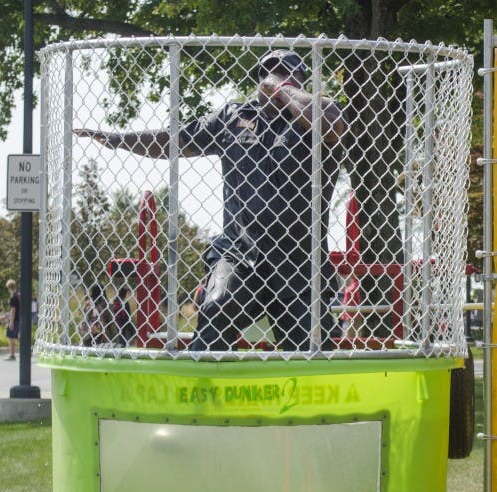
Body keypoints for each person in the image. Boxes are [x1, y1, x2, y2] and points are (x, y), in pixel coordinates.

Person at [74, 49, 346, 352]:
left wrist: (285, 90)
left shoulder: (318, 113)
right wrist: (118, 140)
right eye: (269, 71)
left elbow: (332, 125)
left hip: (299, 261)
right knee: (216, 309)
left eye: (287, 71)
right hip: (242, 253)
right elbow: (173, 140)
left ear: (301, 80)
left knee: (309, 346)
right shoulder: (234, 116)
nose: (276, 76)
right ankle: (208, 391)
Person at [340, 273, 363, 341]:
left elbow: (359, 299)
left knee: (352, 329)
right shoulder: (352, 283)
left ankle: (353, 343)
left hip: (353, 312)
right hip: (347, 312)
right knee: (347, 328)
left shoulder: (357, 284)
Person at [5, 280, 20, 360]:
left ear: (9, 288)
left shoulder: (13, 297)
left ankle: (12, 355)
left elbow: (13, 310)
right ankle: (28, 351)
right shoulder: (18, 295)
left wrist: (11, 322)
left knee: (11, 337)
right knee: (16, 337)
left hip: (14, 320)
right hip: (19, 318)